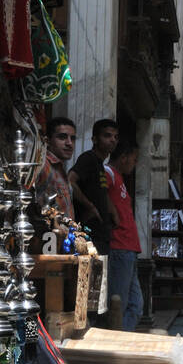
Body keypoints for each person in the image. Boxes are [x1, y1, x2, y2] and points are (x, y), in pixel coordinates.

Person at [105, 140, 143, 332]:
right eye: (134, 160)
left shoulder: (119, 179)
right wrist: (111, 211)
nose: (134, 164)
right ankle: (114, 343)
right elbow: (98, 192)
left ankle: (120, 338)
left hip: (129, 248)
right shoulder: (109, 173)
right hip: (120, 246)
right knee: (119, 303)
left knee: (136, 305)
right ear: (124, 157)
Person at [68, 118, 119, 255]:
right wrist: (90, 206)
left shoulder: (100, 164)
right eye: (107, 135)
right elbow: (70, 181)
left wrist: (112, 211)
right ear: (95, 139)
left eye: (115, 137)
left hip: (100, 234)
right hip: (89, 234)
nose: (113, 140)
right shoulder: (88, 158)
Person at [35, 116, 76, 222]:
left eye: (72, 138)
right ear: (47, 141)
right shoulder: (43, 165)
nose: (69, 143)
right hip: (46, 236)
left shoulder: (60, 168)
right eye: (62, 137)